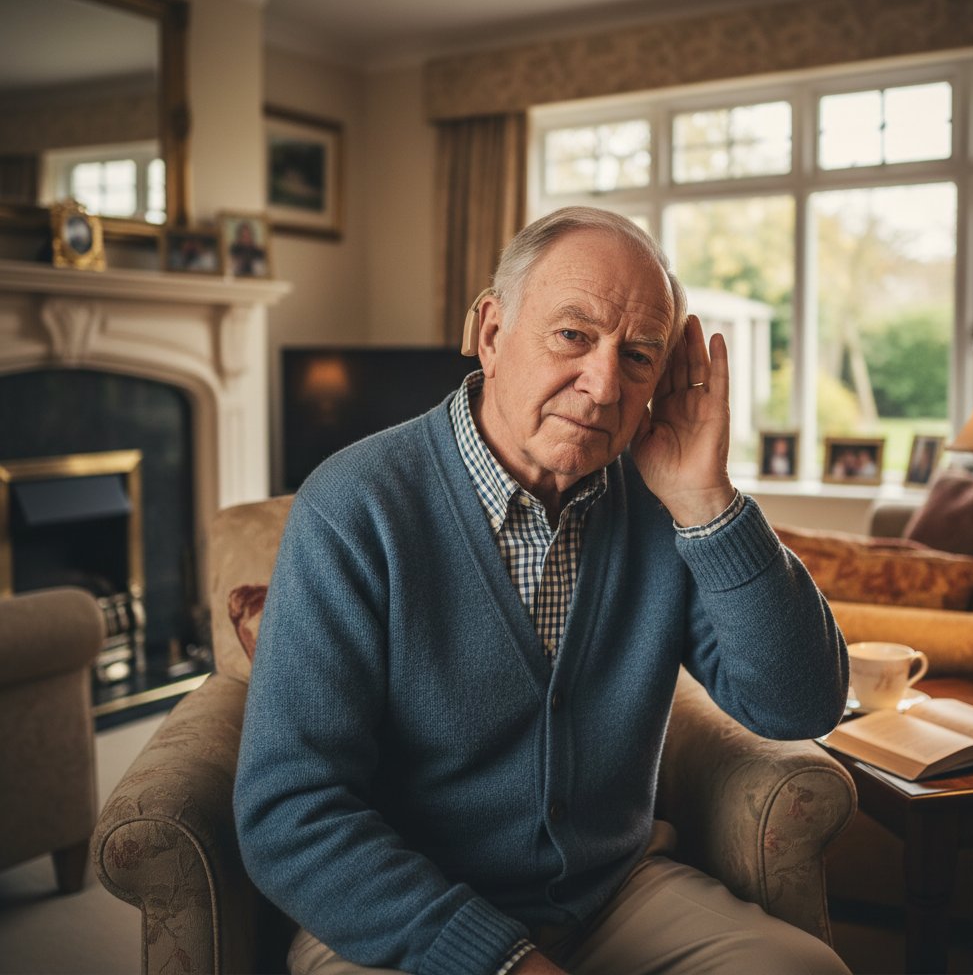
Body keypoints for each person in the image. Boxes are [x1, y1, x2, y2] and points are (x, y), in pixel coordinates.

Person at [235, 207, 850, 975]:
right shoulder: (354, 504)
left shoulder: (664, 504)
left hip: (613, 894)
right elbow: (290, 812)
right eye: (573, 335)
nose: (601, 385)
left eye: (638, 356)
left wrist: (708, 504)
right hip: (403, 915)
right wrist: (503, 961)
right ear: (492, 334)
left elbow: (800, 704)